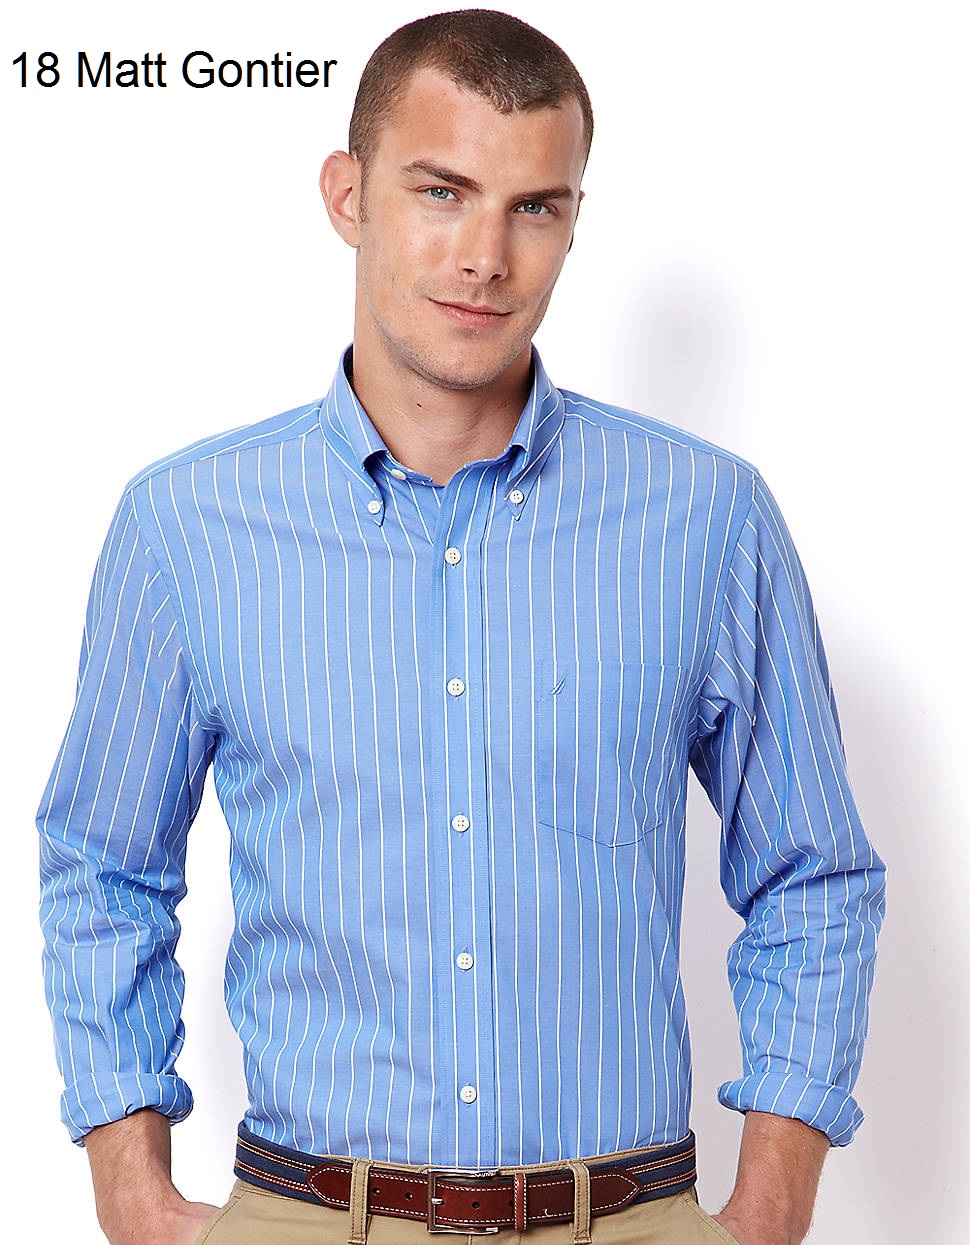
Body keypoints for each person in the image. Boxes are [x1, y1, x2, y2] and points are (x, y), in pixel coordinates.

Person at [37, 10, 885, 1245]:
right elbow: (101, 867)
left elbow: (814, 872)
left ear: (573, 221)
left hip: (629, 1215)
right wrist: (132, 1192)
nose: (485, 256)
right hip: (306, 1217)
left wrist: (767, 1208)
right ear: (348, 195)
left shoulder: (706, 518)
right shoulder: (187, 526)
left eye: (533, 206)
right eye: (441, 191)